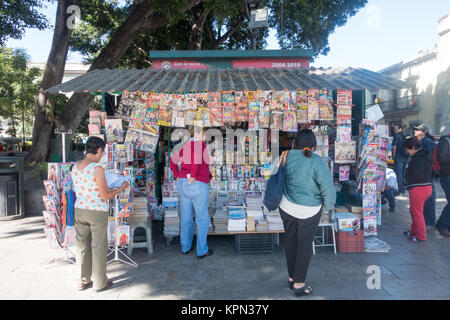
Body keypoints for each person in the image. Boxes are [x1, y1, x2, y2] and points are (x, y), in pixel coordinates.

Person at [277, 129, 336, 297]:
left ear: (295, 143)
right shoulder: (317, 161)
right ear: (314, 144)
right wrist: (330, 205)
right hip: (309, 209)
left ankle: (291, 277)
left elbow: (275, 175)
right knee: (304, 245)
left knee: (290, 241)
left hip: (286, 206)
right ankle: (299, 284)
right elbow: (328, 189)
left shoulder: (285, 157)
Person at [71, 137, 129, 292]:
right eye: (102, 152)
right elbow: (105, 196)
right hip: (96, 211)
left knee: (82, 246)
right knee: (99, 247)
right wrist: (121, 188)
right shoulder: (97, 169)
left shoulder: (75, 167)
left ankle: (84, 280)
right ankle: (100, 282)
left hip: (80, 209)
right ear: (98, 151)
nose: (102, 155)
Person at [169, 126, 213, 258]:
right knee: (202, 218)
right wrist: (193, 175)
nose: (206, 137)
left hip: (183, 183)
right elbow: (196, 159)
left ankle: (185, 247)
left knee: (186, 217)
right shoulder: (199, 145)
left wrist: (177, 174)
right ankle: (201, 250)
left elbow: (172, 160)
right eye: (205, 134)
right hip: (197, 183)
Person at [403, 136, 433, 242]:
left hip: (419, 188)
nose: (406, 151)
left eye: (407, 149)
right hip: (425, 187)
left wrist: (407, 181)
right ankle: (414, 231)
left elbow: (418, 174)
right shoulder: (422, 155)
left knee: (417, 212)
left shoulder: (418, 158)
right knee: (414, 210)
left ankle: (420, 236)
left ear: (412, 147)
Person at [414, 124, 436, 227]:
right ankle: (425, 221)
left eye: (417, 130)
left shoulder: (428, 142)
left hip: (426, 174)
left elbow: (431, 159)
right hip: (421, 174)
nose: (415, 131)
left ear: (424, 132)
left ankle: (429, 221)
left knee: (429, 198)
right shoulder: (421, 142)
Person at [434, 134, 450, 237]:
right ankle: (442, 225)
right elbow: (442, 159)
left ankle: (442, 224)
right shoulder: (445, 141)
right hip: (447, 175)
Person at [392, 124, 408, 195]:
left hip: (399, 156)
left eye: (395, 129)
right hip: (406, 156)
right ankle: (403, 189)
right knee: (403, 173)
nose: (394, 131)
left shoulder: (397, 136)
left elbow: (394, 147)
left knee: (398, 174)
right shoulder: (406, 136)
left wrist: (393, 155)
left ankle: (399, 190)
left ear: (400, 129)